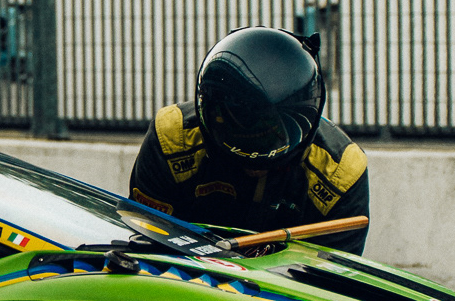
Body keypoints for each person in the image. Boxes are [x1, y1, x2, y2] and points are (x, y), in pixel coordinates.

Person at [130, 27, 370, 250]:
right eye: (238, 124)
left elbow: (330, 275)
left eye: (267, 132)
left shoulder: (340, 173)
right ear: (211, 112)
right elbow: (145, 239)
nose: (253, 167)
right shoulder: (173, 139)